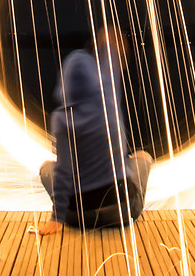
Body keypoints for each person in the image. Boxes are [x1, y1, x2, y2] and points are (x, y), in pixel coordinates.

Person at [36, 21, 153, 233]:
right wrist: (109, 46)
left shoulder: (62, 119)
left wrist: (56, 219)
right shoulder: (108, 99)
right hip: (123, 211)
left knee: (48, 167)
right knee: (142, 159)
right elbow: (110, 62)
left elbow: (62, 173)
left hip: (78, 216)